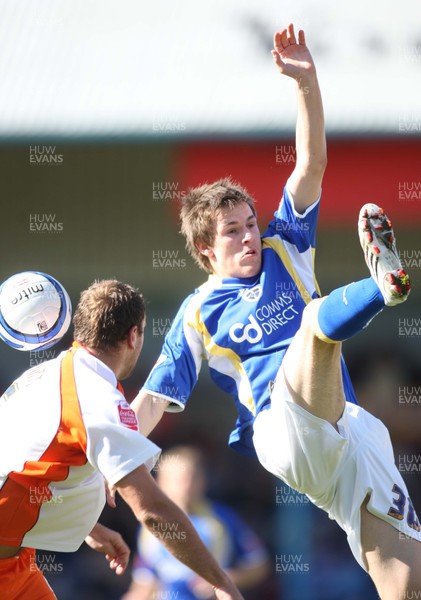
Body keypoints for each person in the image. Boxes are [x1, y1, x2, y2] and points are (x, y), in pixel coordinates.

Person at [132, 23, 421, 599]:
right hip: (280, 428)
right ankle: (382, 287)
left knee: (405, 580)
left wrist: (306, 82)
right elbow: (152, 402)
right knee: (315, 323)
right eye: (232, 232)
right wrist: (106, 451)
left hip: (351, 433)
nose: (247, 237)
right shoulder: (196, 314)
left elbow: (311, 162)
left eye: (250, 224)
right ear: (204, 249)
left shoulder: (285, 247)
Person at [0, 280, 244, 600]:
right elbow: (153, 511)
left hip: (17, 563)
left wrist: (83, 524)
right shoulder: (96, 401)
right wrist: (221, 582)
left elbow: (25, 463)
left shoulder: (44, 376)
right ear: (133, 336)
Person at [122, 446, 270, 600]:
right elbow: (144, 578)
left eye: (192, 478)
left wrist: (225, 582)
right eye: (178, 480)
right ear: (160, 482)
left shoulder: (223, 519)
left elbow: (259, 565)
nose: (186, 485)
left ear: (203, 480)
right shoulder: (150, 525)